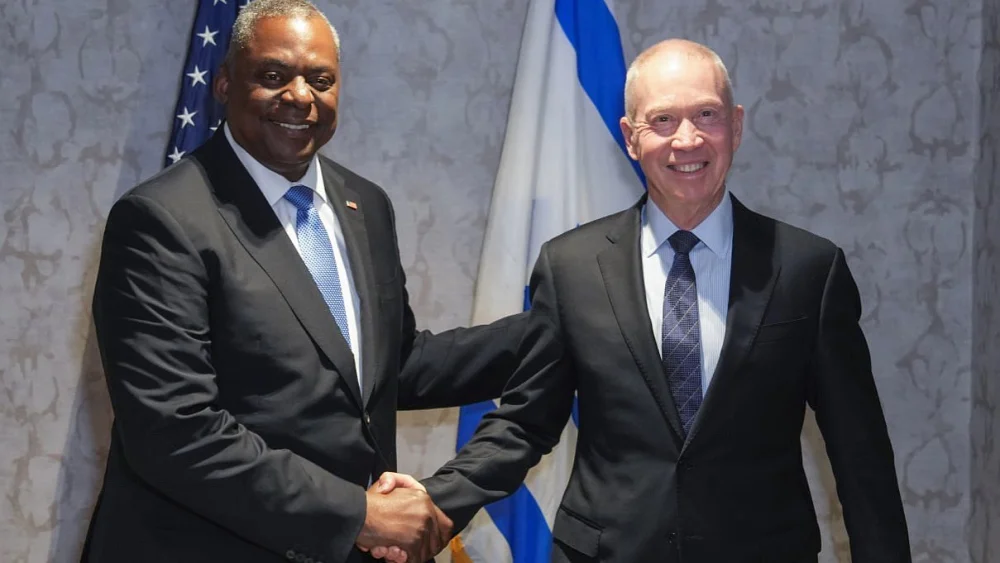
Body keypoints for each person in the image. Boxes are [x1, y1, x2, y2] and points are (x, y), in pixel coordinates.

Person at [374, 39, 911, 562]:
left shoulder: (808, 270)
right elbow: (527, 419)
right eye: (663, 120)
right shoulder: (573, 267)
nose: (687, 140)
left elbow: (860, 453)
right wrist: (437, 502)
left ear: (738, 125)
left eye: (707, 114)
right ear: (630, 137)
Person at [82, 1, 524, 562]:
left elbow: (386, 368)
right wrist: (360, 514)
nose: (299, 96)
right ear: (223, 84)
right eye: (273, 76)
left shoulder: (365, 205)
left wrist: (554, 328)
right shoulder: (161, 219)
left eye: (321, 79)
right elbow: (174, 430)